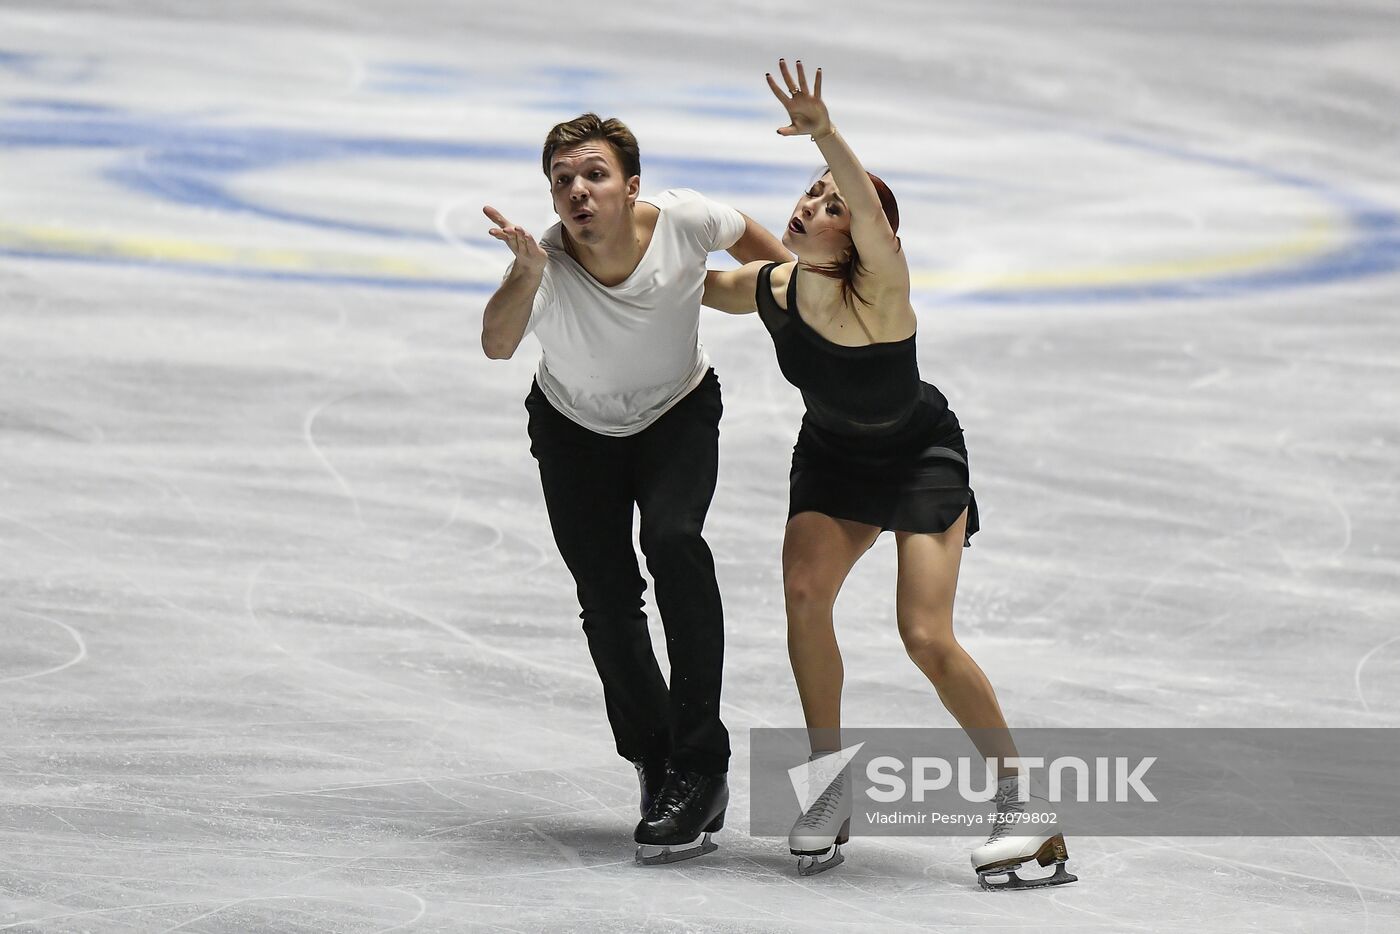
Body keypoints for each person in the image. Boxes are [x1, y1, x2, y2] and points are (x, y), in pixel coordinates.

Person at [701, 60, 1078, 890]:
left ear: (863, 235)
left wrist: (828, 137)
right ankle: (830, 789)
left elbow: (871, 214)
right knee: (805, 595)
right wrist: (595, 258)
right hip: (833, 456)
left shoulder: (885, 293)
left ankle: (1025, 806)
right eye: (810, 193)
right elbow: (686, 289)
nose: (813, 206)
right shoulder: (772, 287)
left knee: (925, 636)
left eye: (832, 204)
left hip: (917, 455)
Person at [480, 113, 789, 865]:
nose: (578, 190)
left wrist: (787, 295)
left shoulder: (683, 220)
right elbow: (496, 344)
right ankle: (659, 765)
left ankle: (702, 764)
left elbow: (756, 241)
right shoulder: (546, 262)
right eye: (562, 181)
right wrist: (522, 274)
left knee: (674, 541)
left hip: (676, 414)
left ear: (630, 185)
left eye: (594, 174)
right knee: (608, 596)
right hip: (573, 430)